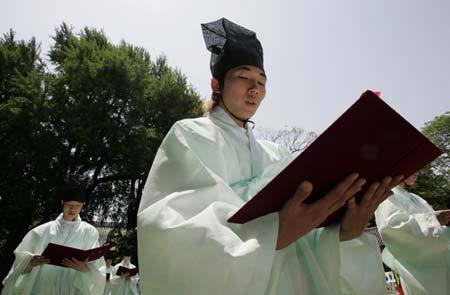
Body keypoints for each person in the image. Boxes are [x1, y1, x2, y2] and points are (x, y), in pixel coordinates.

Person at [137, 17, 402, 294]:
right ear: (216, 83)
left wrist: (344, 232)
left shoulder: (276, 154)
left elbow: (306, 237)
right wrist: (271, 235)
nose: (255, 89)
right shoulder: (190, 135)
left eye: (261, 81)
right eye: (243, 77)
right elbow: (166, 226)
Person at [1, 175, 106, 295]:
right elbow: (20, 260)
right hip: (43, 284)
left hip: (71, 285)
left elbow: (98, 267)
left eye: (77, 206)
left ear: (83, 205)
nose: (73, 209)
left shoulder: (89, 232)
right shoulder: (43, 230)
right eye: (69, 205)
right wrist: (31, 262)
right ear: (62, 203)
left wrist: (85, 268)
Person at [375, 172, 450, 294]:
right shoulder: (387, 196)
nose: (417, 173)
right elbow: (391, 227)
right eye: (414, 168)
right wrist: (433, 219)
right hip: (421, 270)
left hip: (441, 261)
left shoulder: (416, 198)